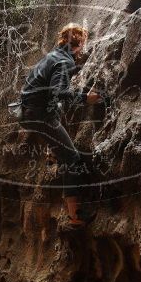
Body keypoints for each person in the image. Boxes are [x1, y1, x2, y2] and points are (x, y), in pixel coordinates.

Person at [20, 22, 102, 227]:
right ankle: (75, 215)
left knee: (57, 115)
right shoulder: (65, 62)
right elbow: (61, 94)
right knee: (72, 158)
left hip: (29, 111)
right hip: (40, 115)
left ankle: (52, 150)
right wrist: (87, 98)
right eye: (83, 43)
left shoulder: (52, 56)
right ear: (80, 43)